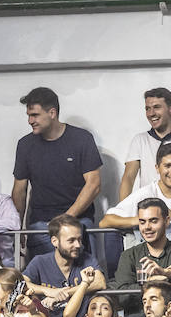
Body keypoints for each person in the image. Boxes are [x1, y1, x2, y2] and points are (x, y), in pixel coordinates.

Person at [11, 86, 103, 258]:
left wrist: (65, 219)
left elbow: (94, 184)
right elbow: (19, 191)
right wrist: (18, 229)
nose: (30, 121)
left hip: (78, 221)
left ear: (52, 113)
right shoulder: (25, 145)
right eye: (29, 116)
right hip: (40, 225)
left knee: (86, 277)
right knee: (41, 279)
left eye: (35, 115)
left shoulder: (81, 139)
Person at [107, 197, 171, 317]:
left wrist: (168, 273)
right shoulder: (129, 255)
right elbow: (122, 296)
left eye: (153, 221)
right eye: (142, 222)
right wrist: (150, 283)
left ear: (167, 221)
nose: (147, 227)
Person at [102, 142, 171, 250]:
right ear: (157, 168)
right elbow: (105, 221)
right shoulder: (146, 193)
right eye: (168, 166)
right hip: (154, 252)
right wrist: (140, 220)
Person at [23, 214, 105, 317]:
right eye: (71, 241)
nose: (78, 245)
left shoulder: (87, 259)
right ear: (54, 241)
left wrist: (63, 293)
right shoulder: (40, 261)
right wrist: (49, 292)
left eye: (79, 239)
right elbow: (21, 283)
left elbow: (100, 282)